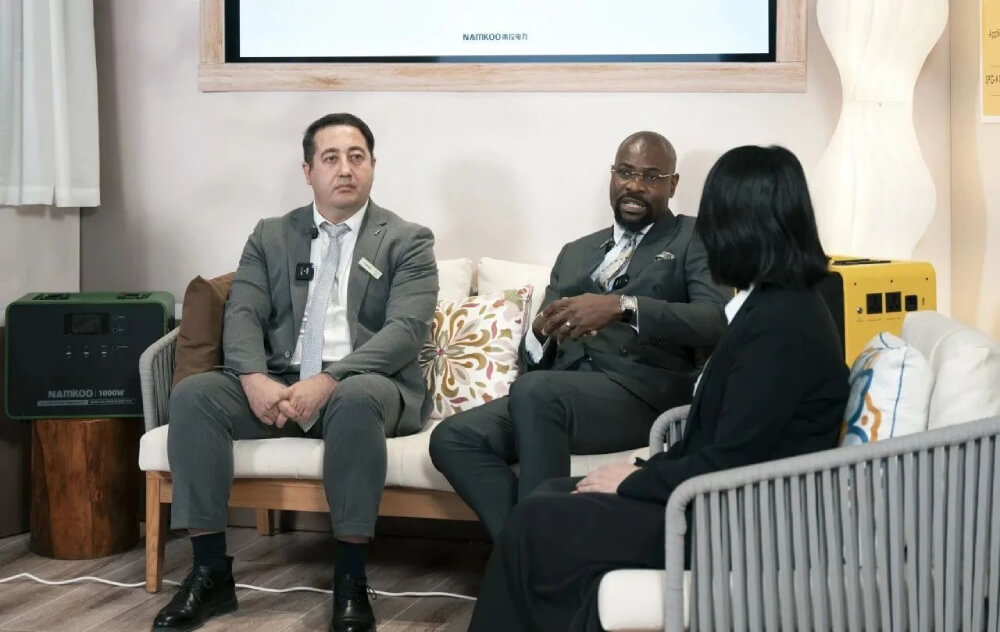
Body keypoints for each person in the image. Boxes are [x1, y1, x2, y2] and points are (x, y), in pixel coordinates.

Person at [467, 145, 851, 631]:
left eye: (716, 217)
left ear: (743, 225)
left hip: (734, 523)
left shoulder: (782, 327)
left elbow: (733, 460)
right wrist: (645, 470)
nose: (709, 233)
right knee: (546, 497)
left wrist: (635, 482)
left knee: (535, 521)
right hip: (713, 501)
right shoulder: (774, 306)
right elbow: (722, 443)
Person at [151, 113, 438, 632]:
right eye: (331, 158)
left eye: (356, 157)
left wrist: (329, 379)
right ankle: (210, 574)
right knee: (195, 395)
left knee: (353, 400)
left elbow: (404, 332)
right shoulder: (271, 236)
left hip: (365, 384)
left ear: (373, 166)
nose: (345, 169)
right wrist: (252, 378)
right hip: (281, 380)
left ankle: (350, 580)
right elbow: (242, 312)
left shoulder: (408, 240)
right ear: (308, 171)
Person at [429, 132, 729, 539]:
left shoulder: (694, 237)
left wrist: (624, 306)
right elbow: (535, 357)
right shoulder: (576, 252)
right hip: (559, 394)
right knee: (453, 437)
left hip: (642, 394)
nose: (635, 185)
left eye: (651, 176)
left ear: (672, 185)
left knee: (537, 391)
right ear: (612, 176)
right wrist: (539, 332)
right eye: (625, 172)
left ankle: (538, 556)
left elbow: (715, 320)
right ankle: (528, 547)